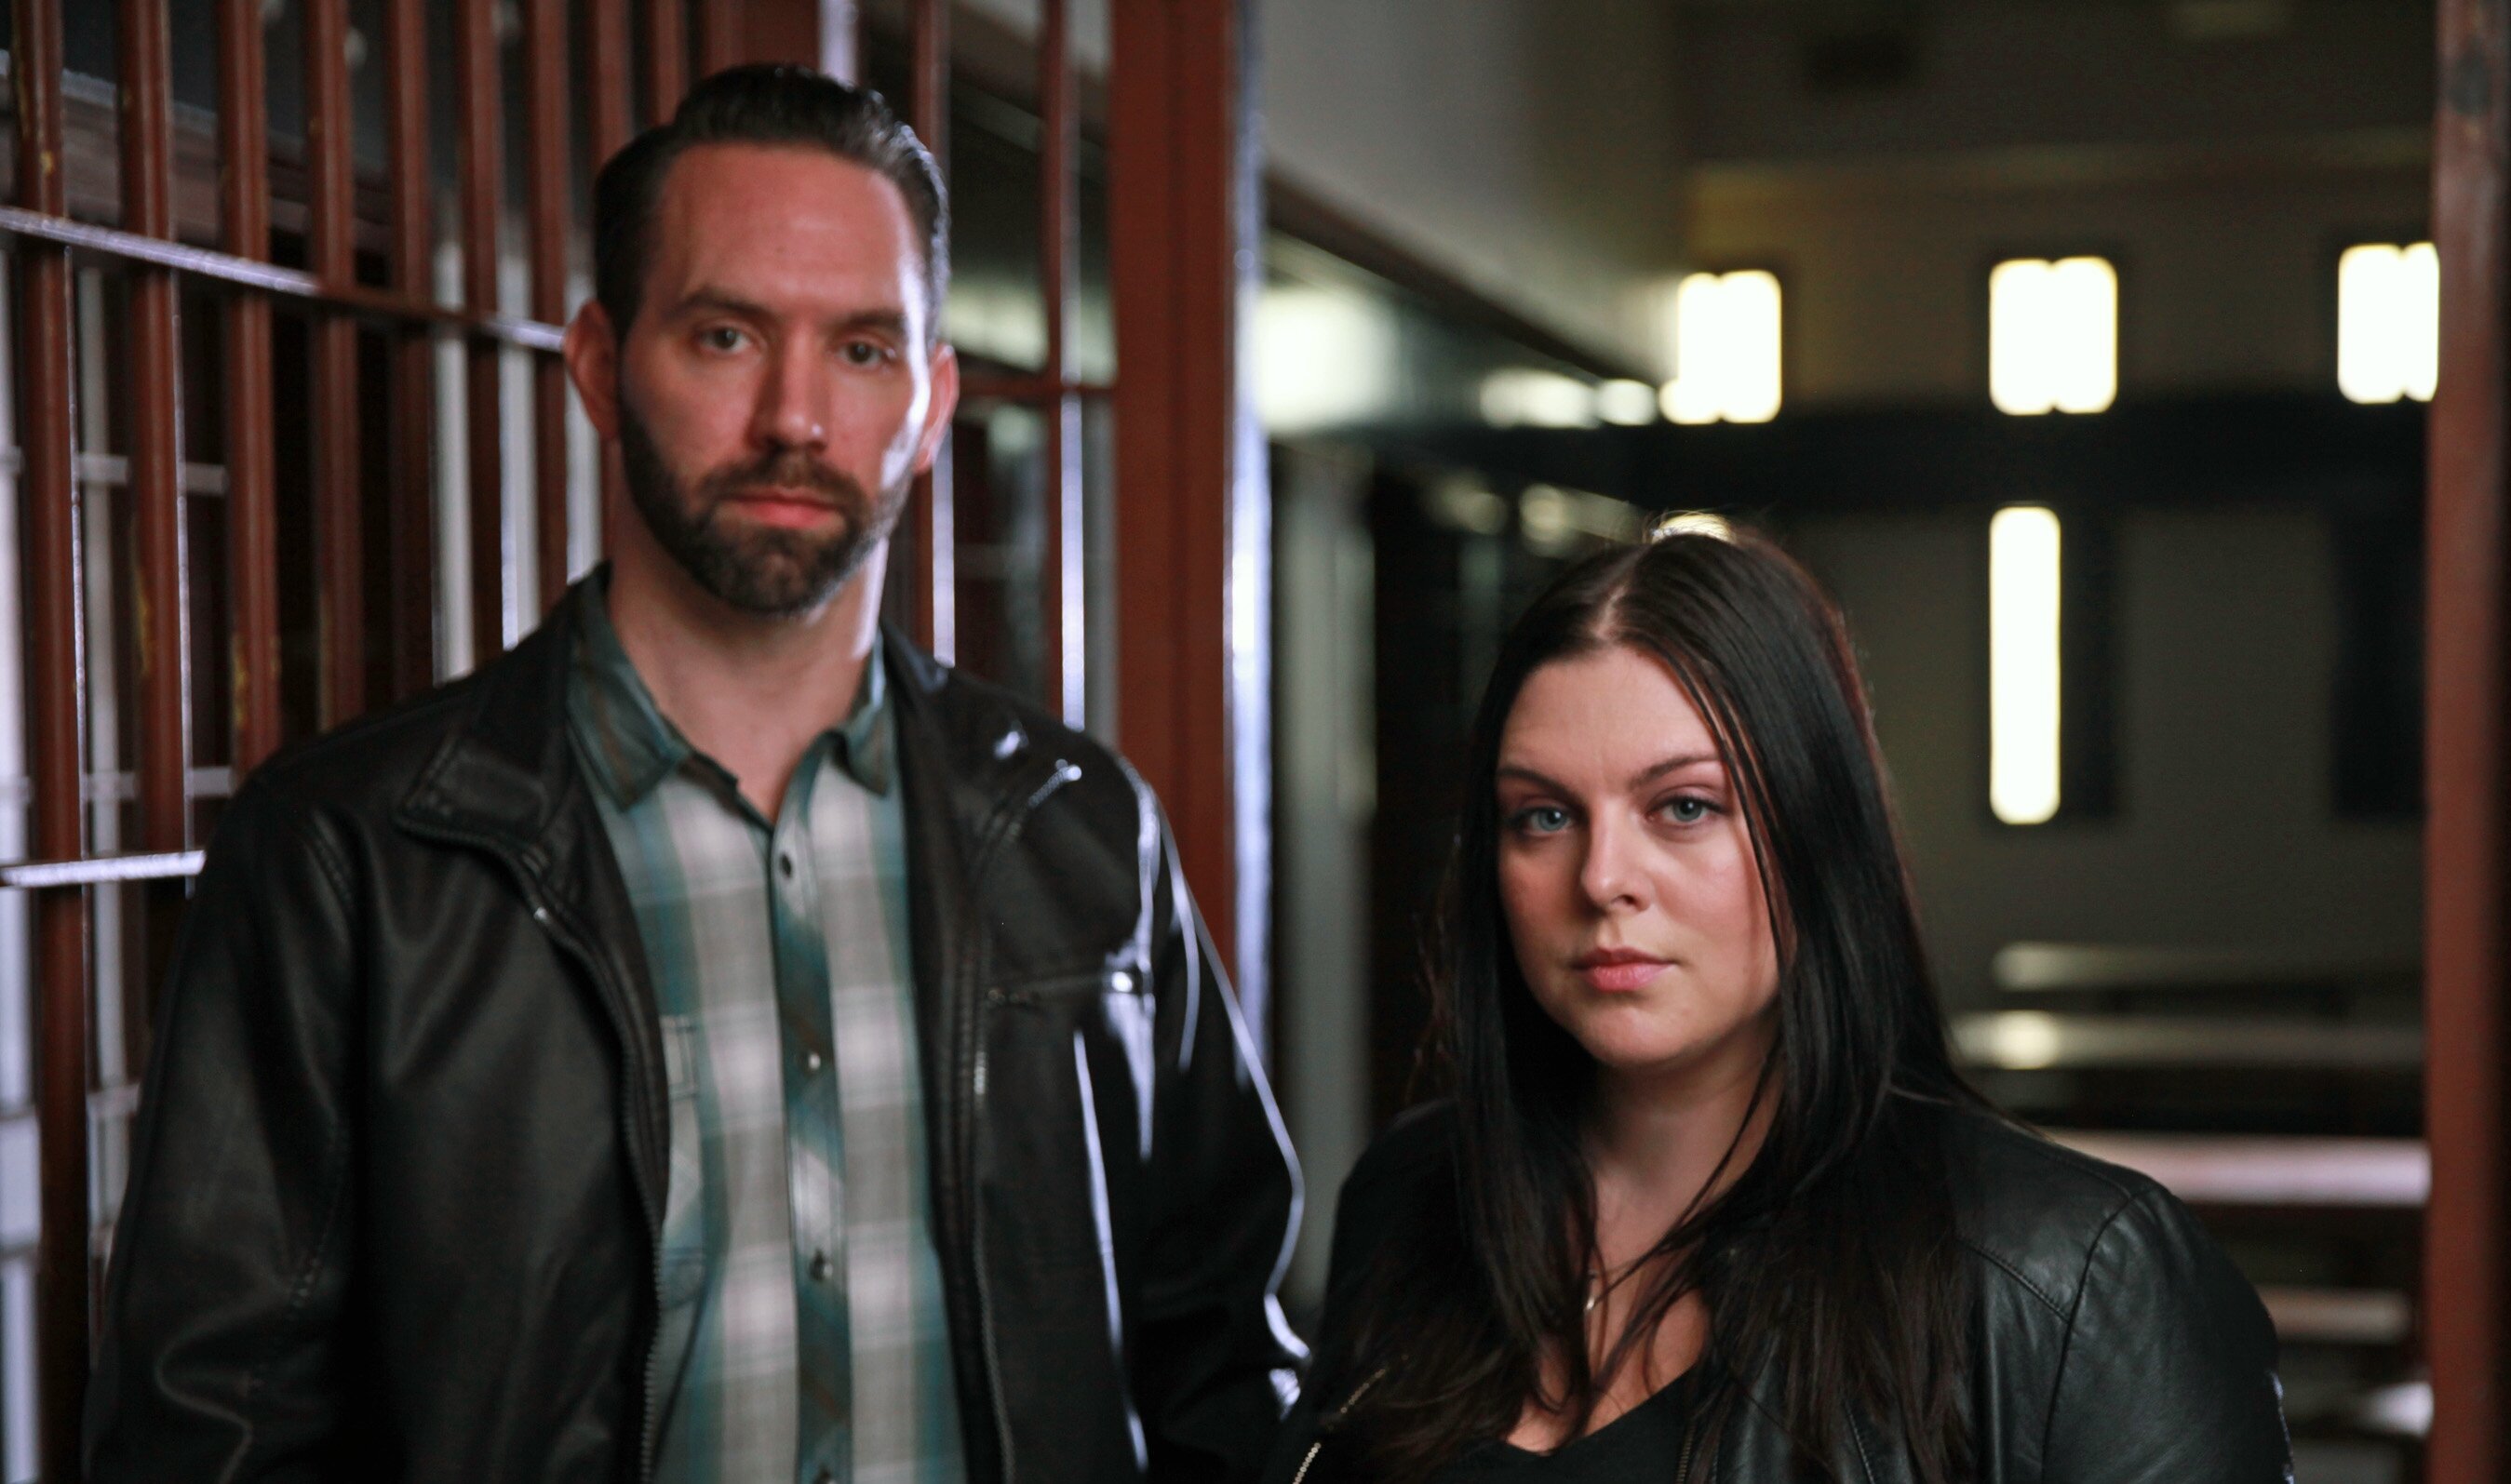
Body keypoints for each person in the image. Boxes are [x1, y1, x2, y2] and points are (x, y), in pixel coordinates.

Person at [87, 64, 1300, 1483]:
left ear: (930, 401)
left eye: (862, 349)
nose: (795, 416)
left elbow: (1224, 1363)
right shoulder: (351, 850)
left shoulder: (1082, 830)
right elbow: (212, 1423)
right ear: (602, 365)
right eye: (727, 335)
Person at [1272, 528, 2291, 1483]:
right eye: (1542, 815)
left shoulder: (2075, 1279)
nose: (1603, 877)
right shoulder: (1413, 1197)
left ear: (1817, 831)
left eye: (1685, 806)